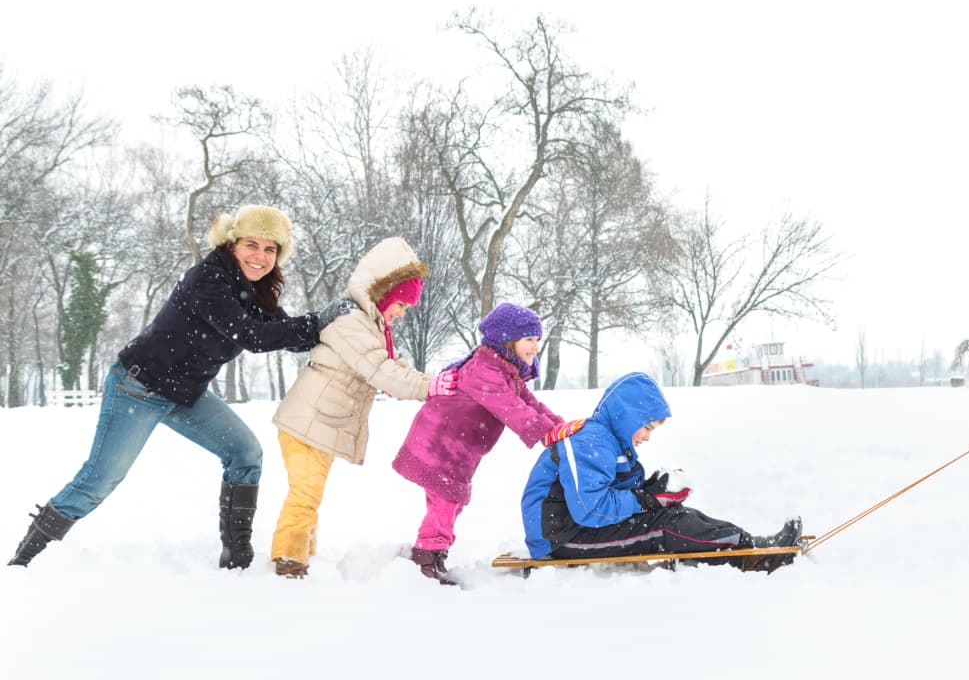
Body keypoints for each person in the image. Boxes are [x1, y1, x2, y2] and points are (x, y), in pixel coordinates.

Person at [8, 205, 351, 569]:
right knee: (100, 480)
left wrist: (338, 326)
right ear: (233, 243)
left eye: (271, 249)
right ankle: (26, 562)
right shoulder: (209, 280)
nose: (261, 256)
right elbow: (253, 336)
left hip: (186, 395)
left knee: (245, 452)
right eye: (253, 244)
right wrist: (316, 322)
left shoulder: (254, 290)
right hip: (137, 388)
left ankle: (236, 558)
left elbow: (288, 334)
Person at [268, 236, 438, 579]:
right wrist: (430, 388)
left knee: (310, 492)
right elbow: (382, 371)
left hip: (319, 423)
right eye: (401, 305)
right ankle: (289, 559)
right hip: (307, 423)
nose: (402, 314)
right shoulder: (350, 322)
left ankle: (302, 553)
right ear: (384, 293)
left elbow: (393, 364)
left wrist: (430, 383)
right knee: (305, 493)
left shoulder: (370, 324)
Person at [521, 371, 803, 573]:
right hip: (563, 537)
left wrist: (653, 491)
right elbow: (590, 508)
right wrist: (646, 500)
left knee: (675, 516)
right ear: (629, 416)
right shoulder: (590, 442)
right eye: (648, 427)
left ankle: (746, 543)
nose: (647, 437)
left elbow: (613, 494)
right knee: (664, 526)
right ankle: (752, 557)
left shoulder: (607, 441)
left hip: (574, 529)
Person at [391, 302, 563, 585]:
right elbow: (512, 408)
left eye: (537, 340)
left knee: (450, 502)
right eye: (528, 340)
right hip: (441, 443)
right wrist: (547, 433)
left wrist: (560, 426)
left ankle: (432, 552)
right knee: (445, 503)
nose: (535, 347)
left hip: (457, 447)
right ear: (508, 340)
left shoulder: (505, 369)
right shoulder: (485, 370)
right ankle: (427, 558)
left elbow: (530, 402)